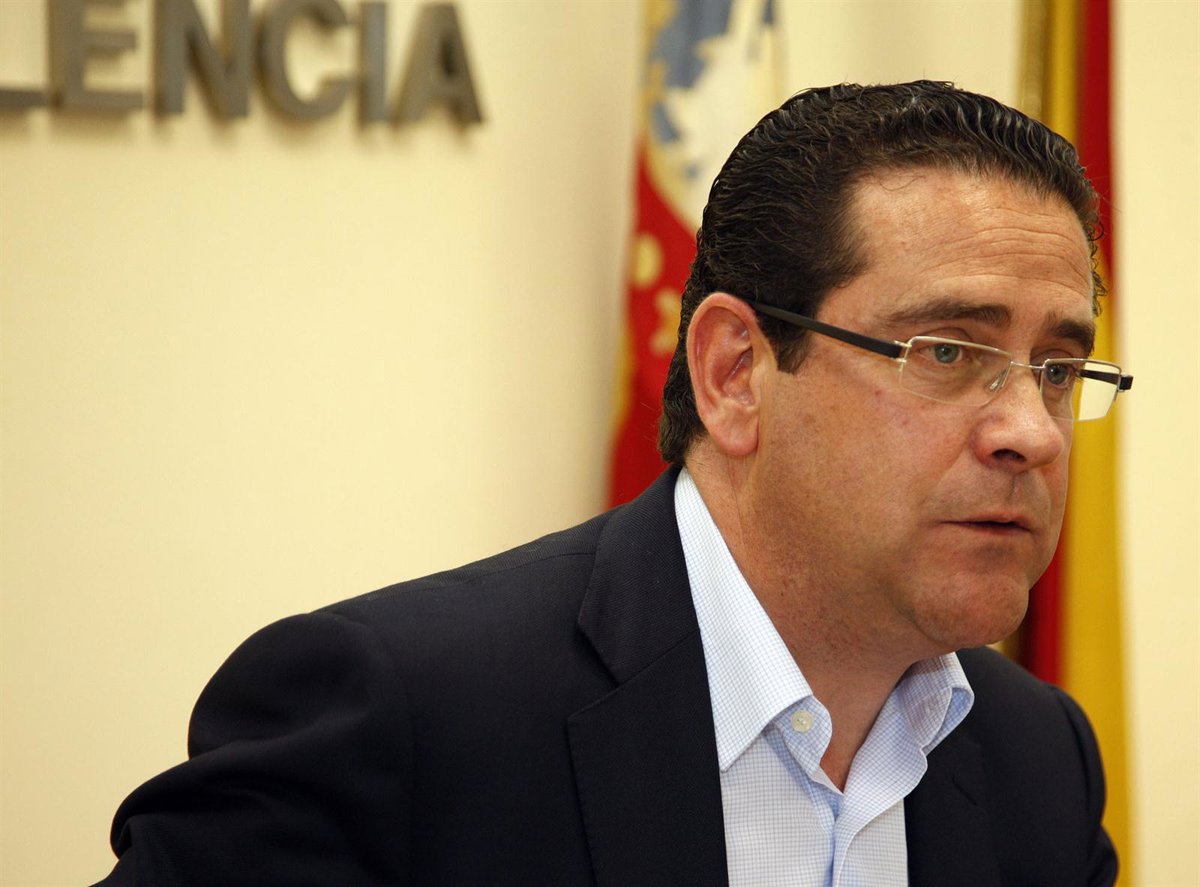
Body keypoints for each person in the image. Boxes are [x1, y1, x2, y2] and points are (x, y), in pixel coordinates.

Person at [94, 81, 1130, 886]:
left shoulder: (1038, 757)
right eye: (948, 351)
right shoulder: (400, 717)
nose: (1030, 432)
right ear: (735, 373)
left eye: (1059, 369)